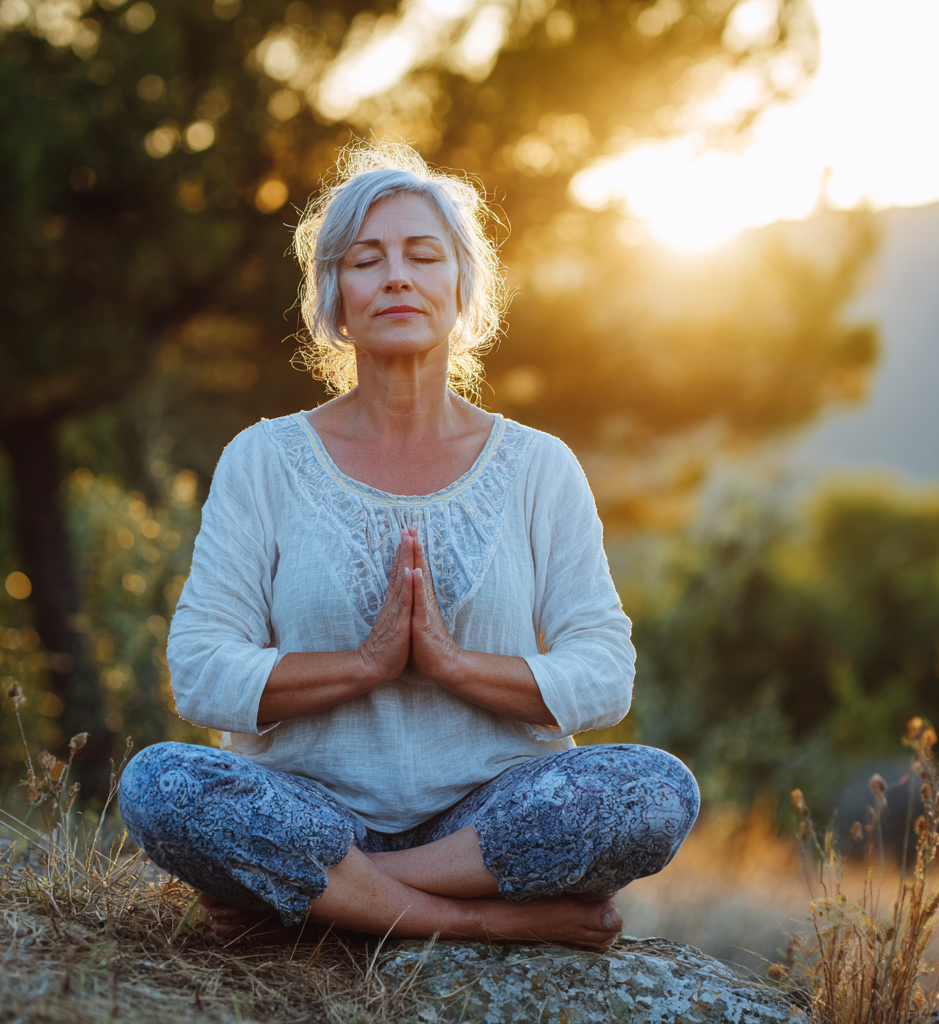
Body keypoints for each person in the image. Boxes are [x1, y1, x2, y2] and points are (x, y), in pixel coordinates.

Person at [118, 142, 699, 951]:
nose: (396, 276)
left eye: (423, 256)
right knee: (159, 783)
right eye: (366, 260)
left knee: (655, 791)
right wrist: (366, 664)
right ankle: (471, 922)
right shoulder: (263, 458)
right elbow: (200, 668)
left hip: (485, 819)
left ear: (462, 290)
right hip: (310, 809)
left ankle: (333, 901)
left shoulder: (538, 466)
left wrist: (456, 667)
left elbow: (604, 673)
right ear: (335, 299)